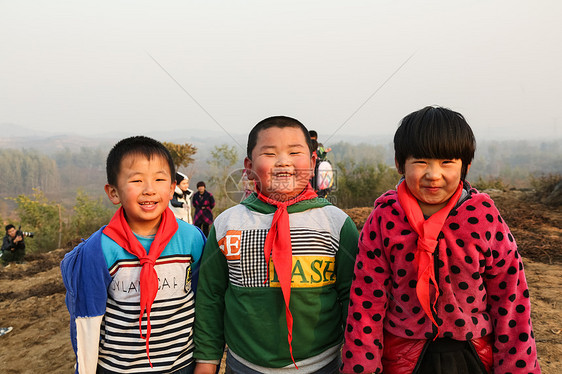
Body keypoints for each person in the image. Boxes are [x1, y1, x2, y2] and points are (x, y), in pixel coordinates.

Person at [341, 106, 540, 374]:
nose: (433, 174)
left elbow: (511, 299)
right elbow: (366, 301)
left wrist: (518, 369)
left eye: (447, 162)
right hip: (402, 356)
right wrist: (361, 368)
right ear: (400, 163)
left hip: (472, 354)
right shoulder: (385, 218)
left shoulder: (484, 218)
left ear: (465, 166)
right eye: (421, 161)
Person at [193, 116, 359, 374]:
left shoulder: (336, 223)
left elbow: (352, 296)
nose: (283, 162)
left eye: (295, 152)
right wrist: (207, 360)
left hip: (322, 364)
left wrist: (356, 357)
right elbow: (211, 296)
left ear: (313, 162)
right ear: (249, 167)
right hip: (244, 365)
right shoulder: (227, 224)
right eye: (270, 154)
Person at [60, 136, 206, 374]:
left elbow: (204, 298)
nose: (149, 189)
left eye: (159, 179)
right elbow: (86, 319)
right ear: (114, 192)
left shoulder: (192, 240)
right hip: (118, 368)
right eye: (137, 180)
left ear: (171, 189)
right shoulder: (100, 249)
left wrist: (205, 361)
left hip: (181, 365)